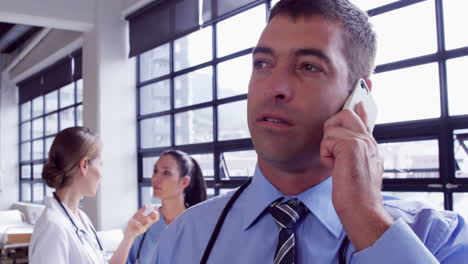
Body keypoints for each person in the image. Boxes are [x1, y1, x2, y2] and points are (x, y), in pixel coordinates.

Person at [152, 0, 468, 263]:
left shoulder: (436, 238)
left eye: (309, 66)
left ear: (359, 97)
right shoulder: (185, 237)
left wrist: (366, 219)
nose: (274, 87)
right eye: (263, 63)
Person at [29, 127, 159, 264]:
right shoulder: (53, 227)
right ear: (84, 165)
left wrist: (129, 236)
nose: (101, 174)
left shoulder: (80, 218)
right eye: (100, 164)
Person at [125, 149, 207, 264]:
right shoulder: (144, 224)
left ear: (184, 182)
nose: (155, 178)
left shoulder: (198, 225)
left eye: (166, 172)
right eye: (155, 171)